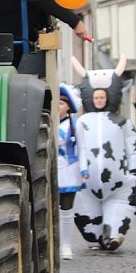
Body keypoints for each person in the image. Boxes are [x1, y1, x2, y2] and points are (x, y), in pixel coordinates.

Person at [72, 55, 136, 251]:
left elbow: (133, 148)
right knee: (90, 228)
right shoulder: (82, 123)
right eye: (96, 97)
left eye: (102, 97)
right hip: (86, 183)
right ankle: (95, 238)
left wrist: (135, 171)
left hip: (119, 181)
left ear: (110, 96)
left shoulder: (123, 122)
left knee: (118, 213)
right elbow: (76, 146)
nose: (99, 100)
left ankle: (113, 235)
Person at [57, 84, 85, 260]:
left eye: (61, 103)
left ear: (68, 106)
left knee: (66, 209)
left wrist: (84, 169)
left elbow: (82, 147)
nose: (57, 107)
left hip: (68, 171)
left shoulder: (75, 125)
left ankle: (66, 244)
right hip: (51, 170)